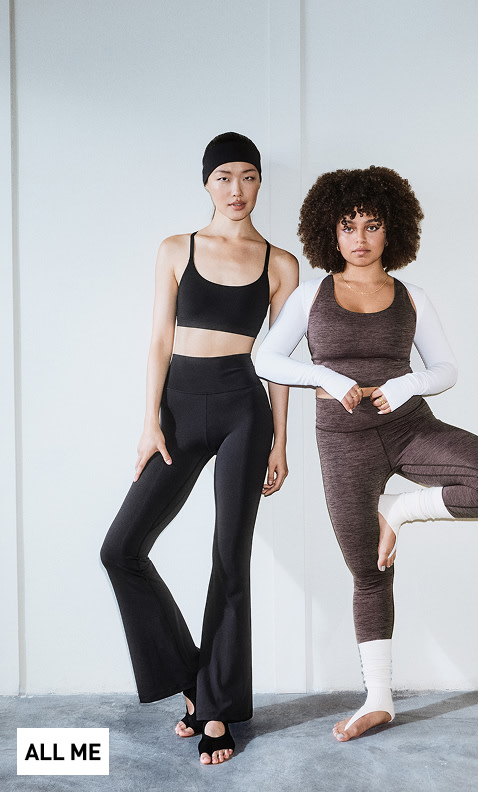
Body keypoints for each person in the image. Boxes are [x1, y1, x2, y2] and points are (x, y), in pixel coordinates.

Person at [255, 165, 478, 743]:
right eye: (348, 226)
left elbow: (445, 369)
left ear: (391, 231)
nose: (360, 237)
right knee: (369, 571)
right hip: (343, 442)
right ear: (329, 233)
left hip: (410, 430)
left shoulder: (413, 296)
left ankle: (398, 511)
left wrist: (406, 386)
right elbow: (265, 359)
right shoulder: (311, 295)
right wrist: (325, 379)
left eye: (372, 225)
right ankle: (378, 701)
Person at [101, 132, 299, 765]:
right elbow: (159, 339)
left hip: (245, 408)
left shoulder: (280, 263)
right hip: (179, 408)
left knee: (229, 559)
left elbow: (279, 363)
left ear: (260, 182)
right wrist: (149, 421)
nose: (236, 190)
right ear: (207, 183)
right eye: (224, 177)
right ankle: (196, 682)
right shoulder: (176, 249)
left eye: (247, 177)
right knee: (121, 549)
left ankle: (214, 709)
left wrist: (280, 441)